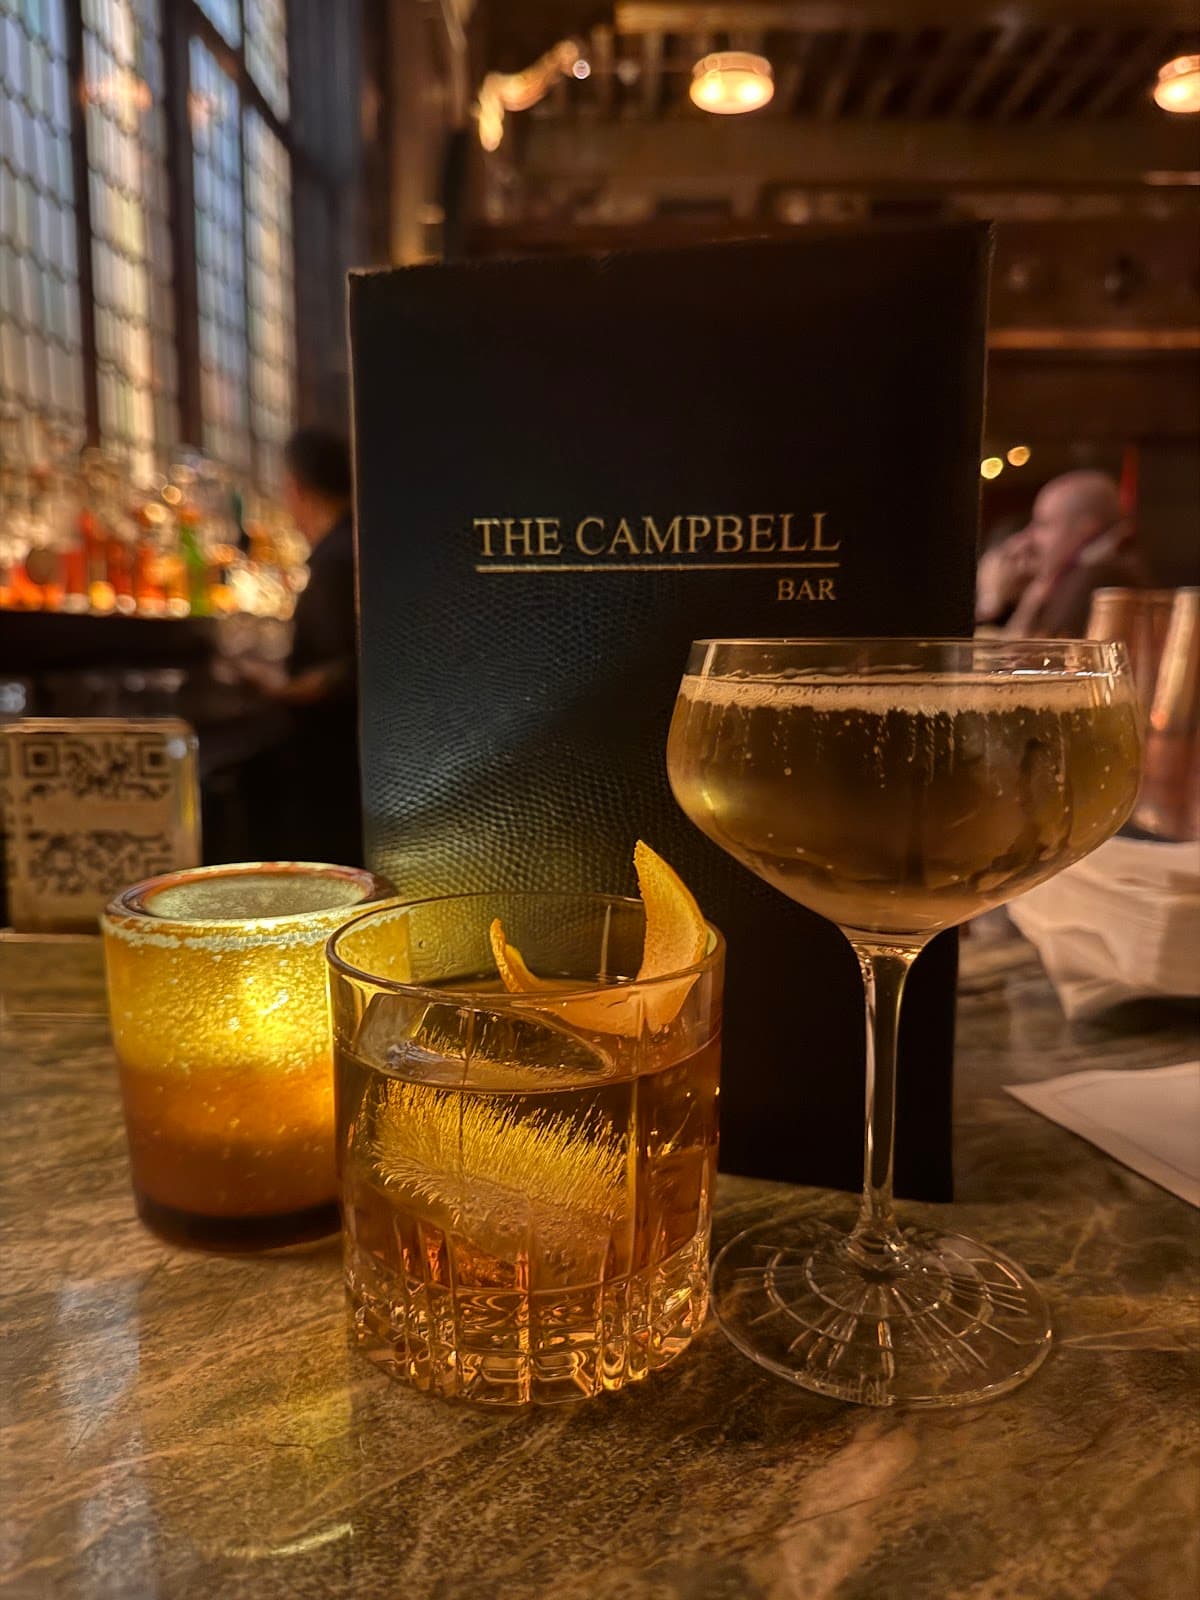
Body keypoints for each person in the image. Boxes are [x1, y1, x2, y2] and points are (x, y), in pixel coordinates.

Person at [238, 428, 362, 861]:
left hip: (333, 761)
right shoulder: (353, 546)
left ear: (295, 487)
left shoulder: (335, 560)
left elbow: (344, 672)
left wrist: (273, 686)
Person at [978, 470, 1146, 638]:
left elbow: (1029, 658)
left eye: (1043, 524)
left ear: (1086, 528)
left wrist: (990, 601)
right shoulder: (1082, 571)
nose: (1028, 537)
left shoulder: (1100, 577)